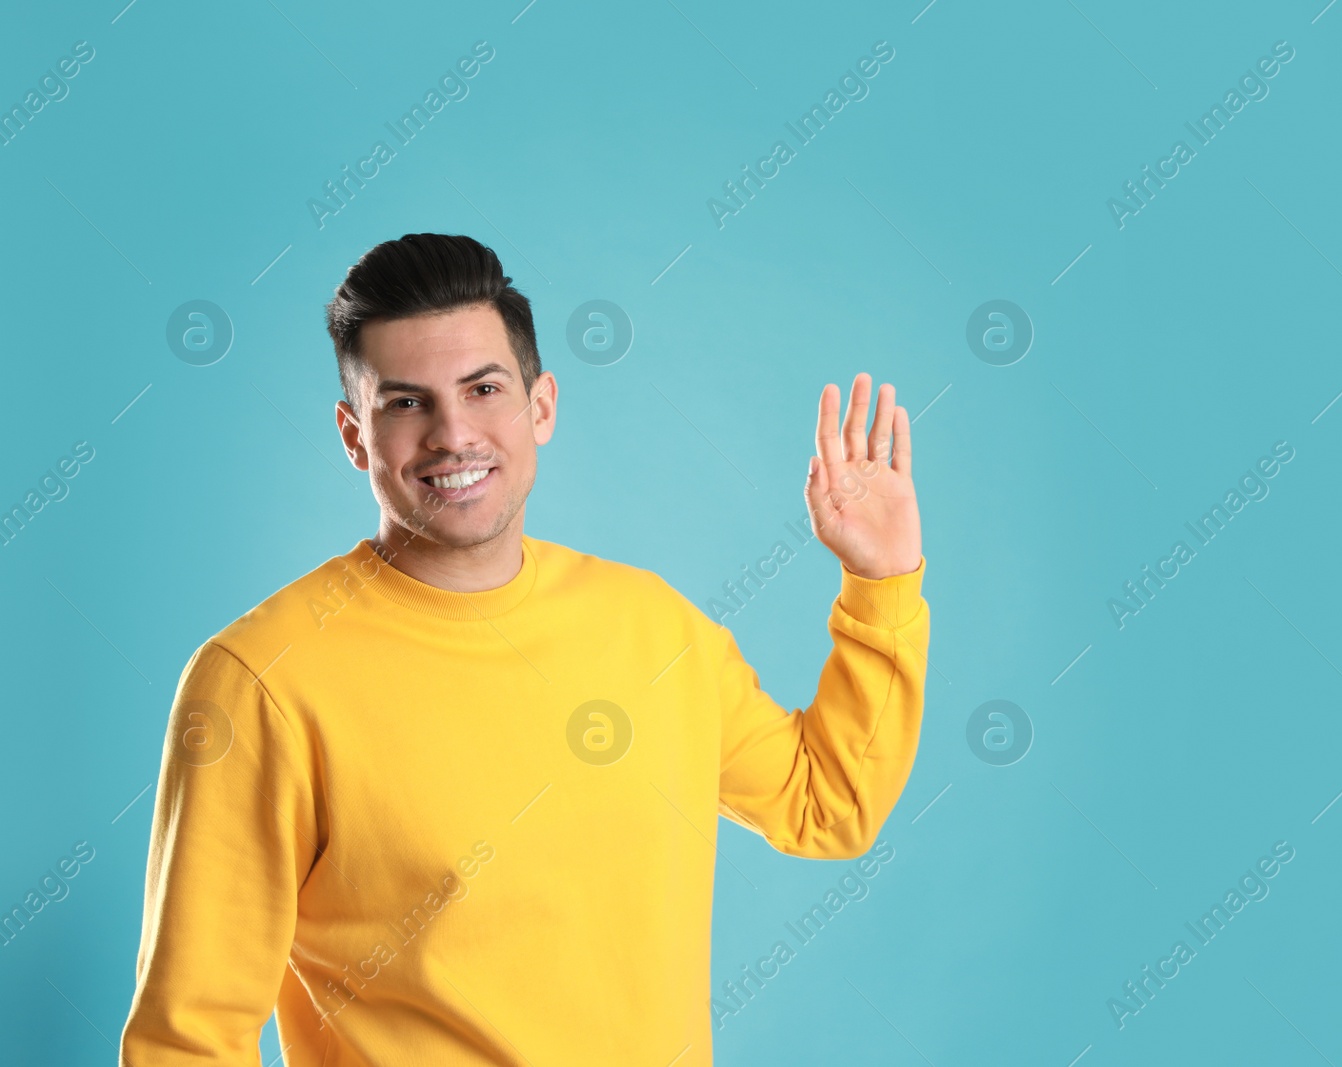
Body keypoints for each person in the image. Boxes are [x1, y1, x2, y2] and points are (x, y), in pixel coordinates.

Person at [118, 232, 930, 1065]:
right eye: (405, 402)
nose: (452, 434)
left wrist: (883, 580)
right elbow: (190, 1038)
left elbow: (827, 804)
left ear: (541, 405)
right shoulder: (263, 682)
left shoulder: (655, 627)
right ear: (354, 435)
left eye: (483, 389)